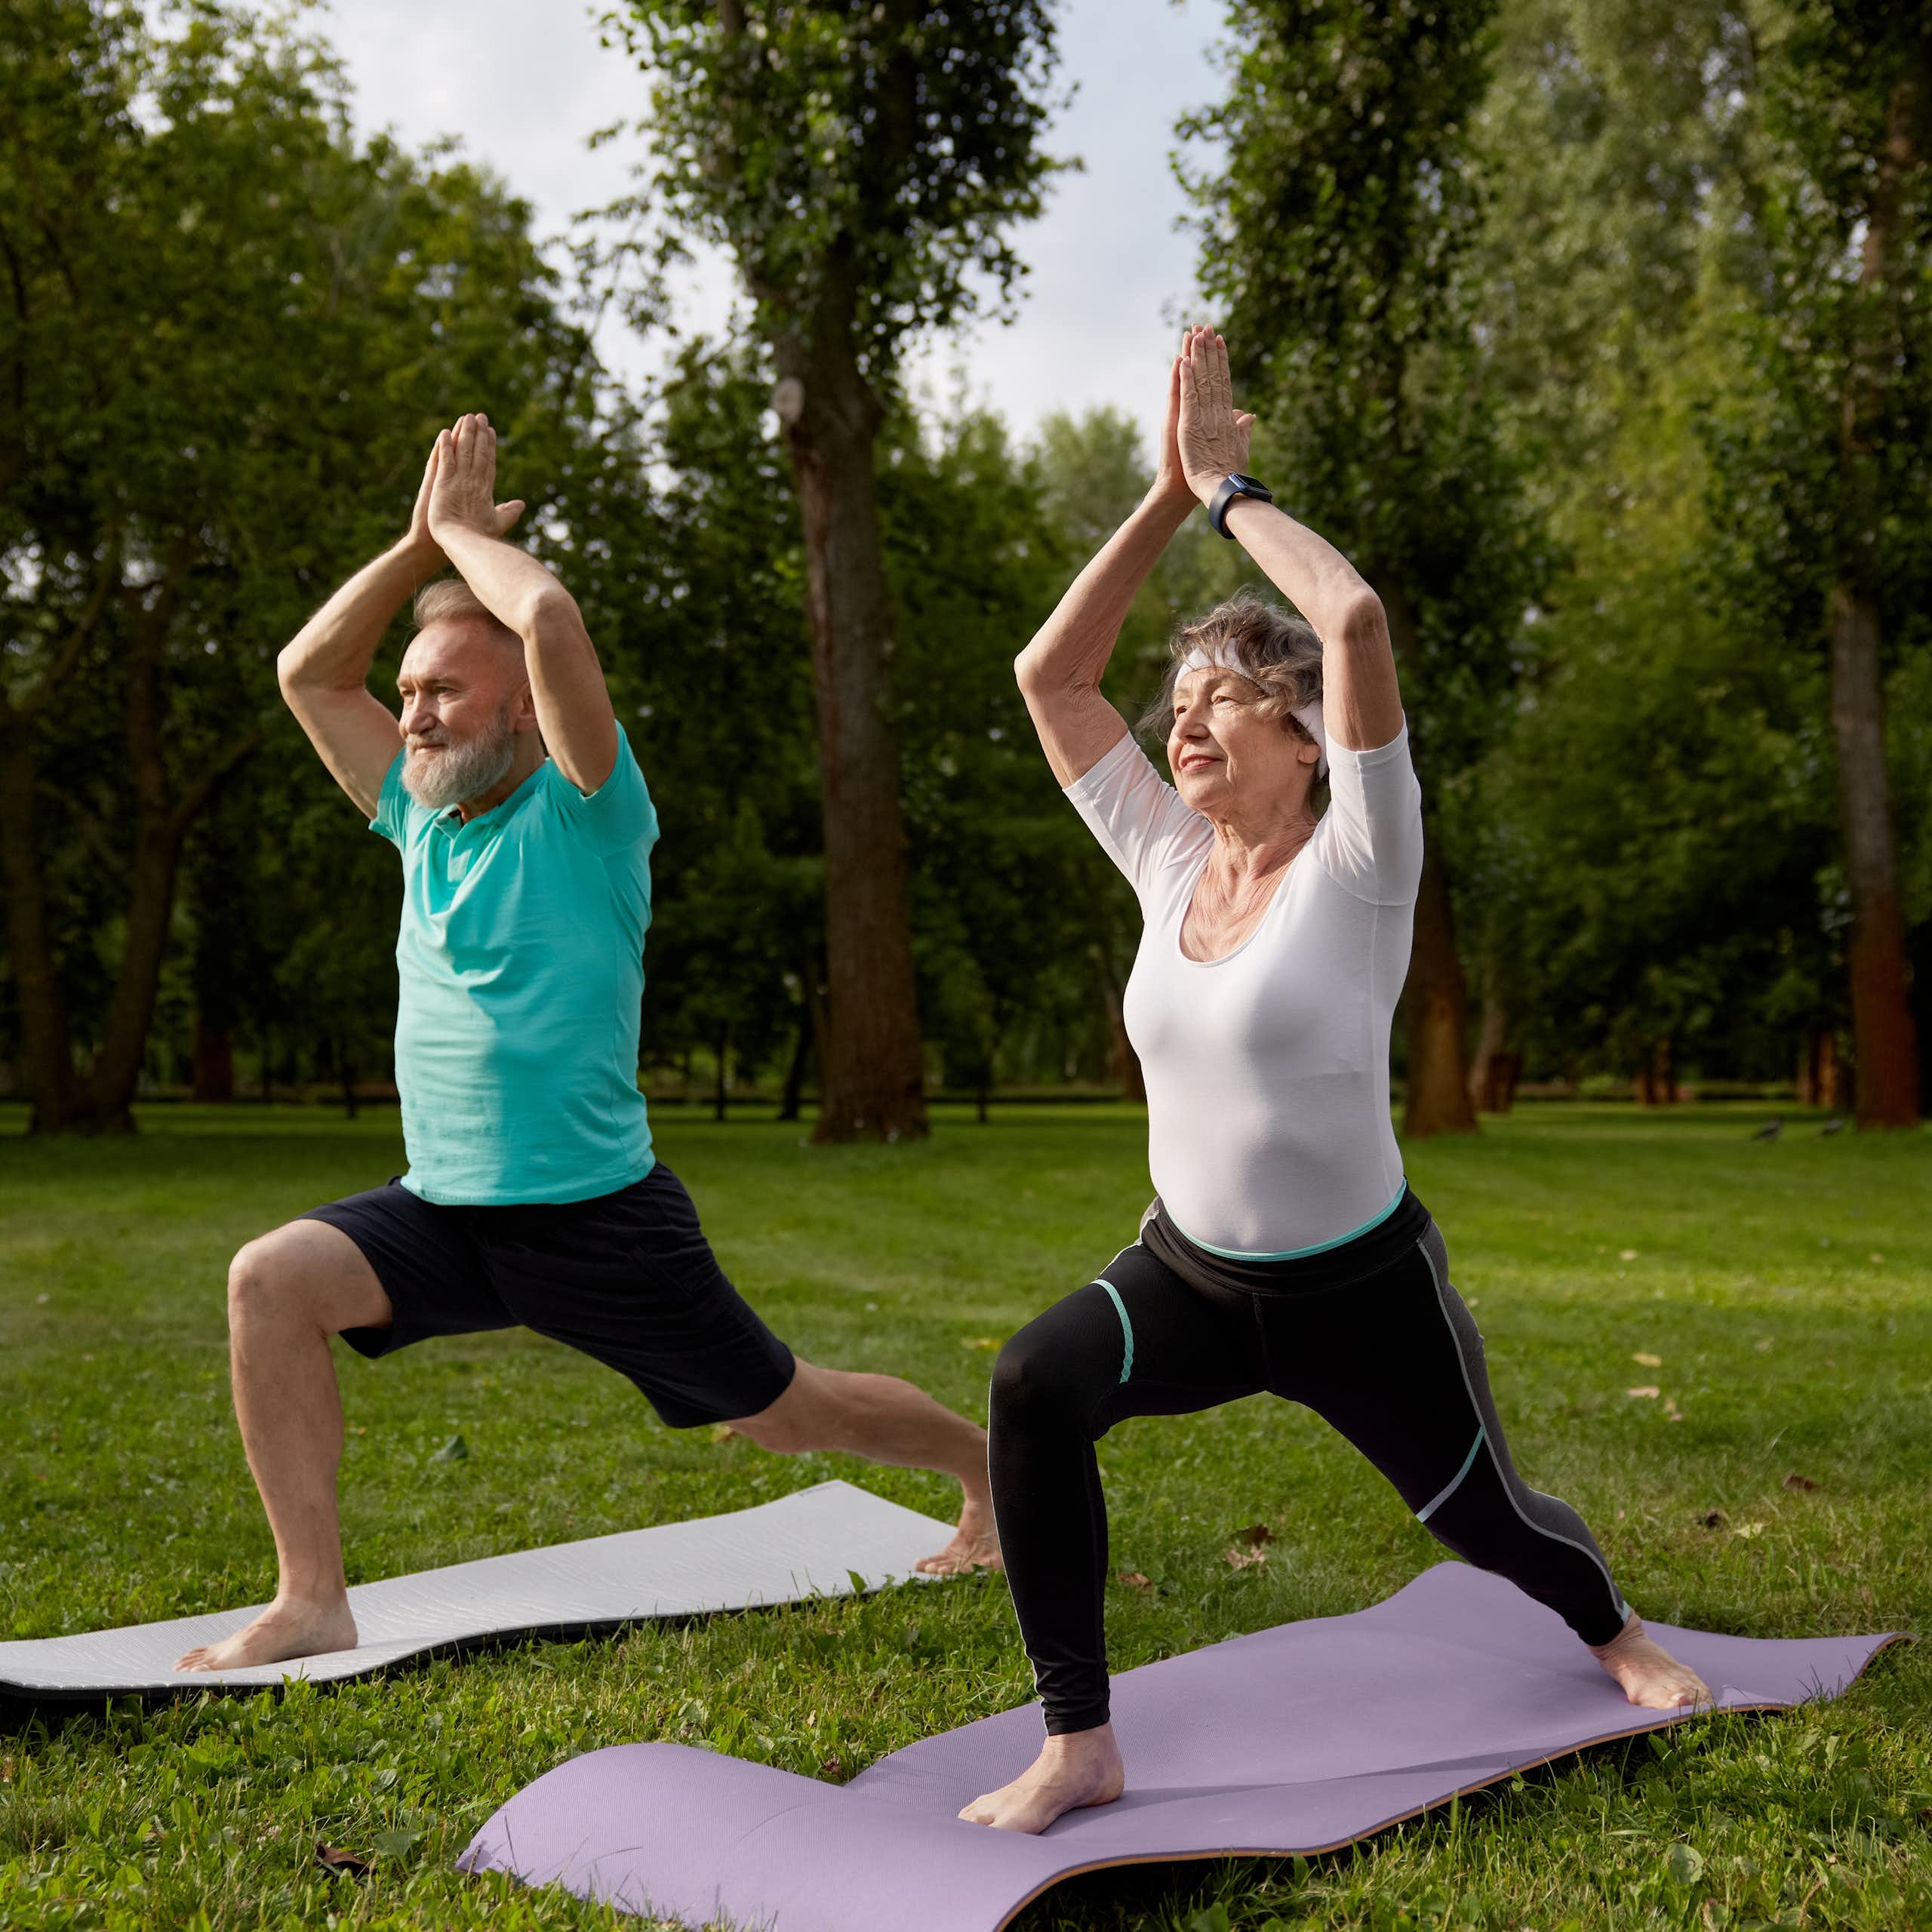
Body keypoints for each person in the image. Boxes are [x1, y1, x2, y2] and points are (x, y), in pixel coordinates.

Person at [959, 331, 1708, 1833]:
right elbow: (1052, 674)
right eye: (1175, 695)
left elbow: (1349, 612)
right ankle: (1078, 1738)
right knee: (1032, 1382)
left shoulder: (1362, 866)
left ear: (1303, 739)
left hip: (1358, 1288)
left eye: (1220, 695)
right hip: (1183, 1268)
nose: (1179, 717)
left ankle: (1614, 1629)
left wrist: (1230, 489)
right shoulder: (1165, 851)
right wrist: (1165, 496)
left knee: (1484, 1517)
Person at [177, 414, 997, 1672]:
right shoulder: (415, 818)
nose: (414, 715)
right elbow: (305, 673)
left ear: (519, 705)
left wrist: (462, 536)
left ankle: (988, 1472)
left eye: (443, 690)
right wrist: (417, 548)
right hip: (444, 1214)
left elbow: (551, 620)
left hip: (599, 1222)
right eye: (407, 695)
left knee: (789, 1416)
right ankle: (313, 1598)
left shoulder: (591, 814)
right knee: (268, 1282)